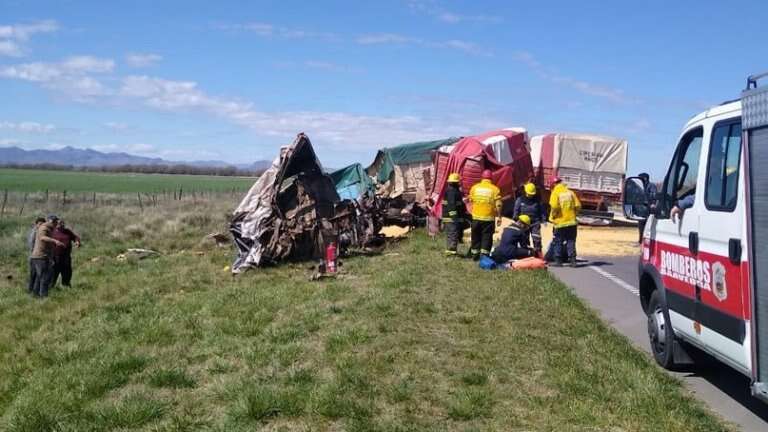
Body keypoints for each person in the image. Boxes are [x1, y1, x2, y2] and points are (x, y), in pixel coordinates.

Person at [468, 169, 502, 260]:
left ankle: (475, 255)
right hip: (488, 219)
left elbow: (470, 201)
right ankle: (484, 257)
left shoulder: (474, 187)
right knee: (486, 237)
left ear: (482, 177)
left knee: (475, 236)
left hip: (475, 218)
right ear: (491, 178)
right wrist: (499, 216)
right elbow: (498, 205)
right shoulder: (495, 189)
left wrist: (472, 212)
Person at [548, 178, 581, 267]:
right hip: (572, 222)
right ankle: (572, 261)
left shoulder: (555, 193)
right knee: (571, 240)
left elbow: (554, 206)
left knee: (558, 241)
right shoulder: (570, 192)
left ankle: (558, 260)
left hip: (560, 222)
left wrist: (554, 215)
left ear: (553, 185)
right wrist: (574, 214)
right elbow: (578, 206)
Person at [29, 215, 64, 298]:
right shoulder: (44, 228)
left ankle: (35, 295)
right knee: (45, 278)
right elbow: (42, 237)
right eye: (55, 222)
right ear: (51, 221)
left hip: (41, 257)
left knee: (39, 278)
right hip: (41, 257)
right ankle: (43, 297)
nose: (56, 224)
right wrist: (55, 241)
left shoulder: (48, 228)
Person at [512, 182, 547, 256]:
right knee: (524, 239)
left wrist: (544, 220)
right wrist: (515, 218)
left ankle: (538, 254)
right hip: (523, 223)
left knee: (536, 238)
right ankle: (526, 254)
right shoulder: (520, 200)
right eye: (529, 194)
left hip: (535, 222)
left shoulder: (537, 201)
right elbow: (516, 210)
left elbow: (542, 211)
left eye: (532, 194)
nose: (530, 196)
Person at [442, 172, 468, 256]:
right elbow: (452, 205)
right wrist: (454, 217)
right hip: (451, 217)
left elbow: (456, 203)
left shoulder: (453, 191)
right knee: (453, 234)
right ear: (456, 182)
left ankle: (450, 250)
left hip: (450, 217)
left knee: (451, 234)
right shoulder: (452, 192)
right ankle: (452, 252)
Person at [51, 219, 81, 288]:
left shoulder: (67, 231)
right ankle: (51, 288)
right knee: (54, 273)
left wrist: (77, 241)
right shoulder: (52, 231)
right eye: (59, 223)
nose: (61, 225)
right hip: (55, 257)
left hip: (66, 257)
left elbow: (75, 237)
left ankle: (66, 286)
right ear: (55, 224)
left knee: (67, 272)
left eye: (62, 223)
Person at [27, 217, 46, 294]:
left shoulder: (40, 231)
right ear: (36, 224)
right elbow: (31, 244)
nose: (41, 225)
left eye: (43, 224)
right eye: (40, 224)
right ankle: (33, 291)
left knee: (36, 275)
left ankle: (33, 291)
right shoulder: (35, 232)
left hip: (36, 256)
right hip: (35, 256)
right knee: (35, 275)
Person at [637, 173, 658, 243]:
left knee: (647, 227)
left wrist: (653, 204)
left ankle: (646, 241)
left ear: (645, 178)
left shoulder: (651, 186)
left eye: (640, 178)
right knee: (641, 227)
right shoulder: (641, 187)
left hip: (649, 210)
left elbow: (654, 195)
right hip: (642, 210)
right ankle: (640, 241)